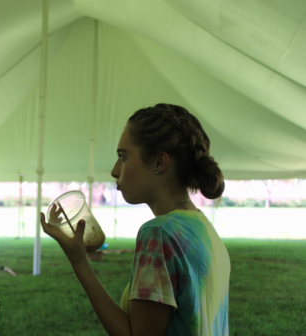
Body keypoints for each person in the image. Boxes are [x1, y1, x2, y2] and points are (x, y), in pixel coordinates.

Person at [41, 104, 230, 336]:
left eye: (123, 157)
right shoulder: (203, 228)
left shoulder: (160, 233)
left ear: (159, 162)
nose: (114, 170)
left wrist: (80, 262)